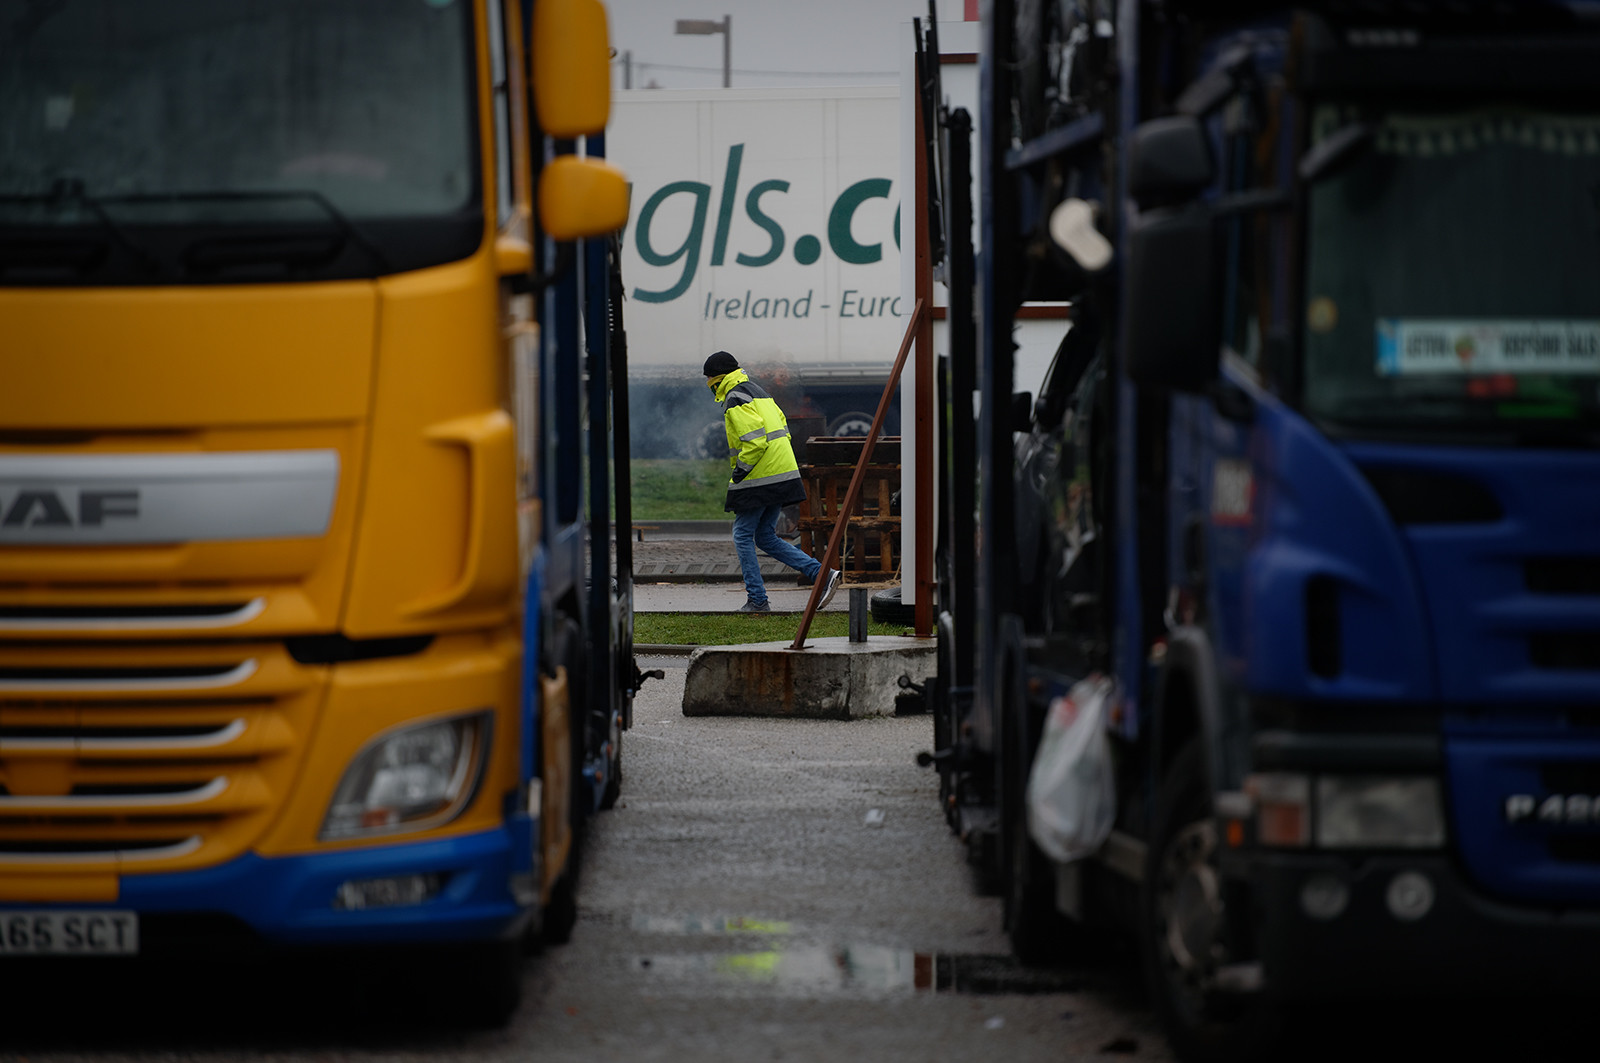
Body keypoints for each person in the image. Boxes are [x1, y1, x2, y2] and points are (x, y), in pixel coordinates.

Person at [703, 350, 841, 613]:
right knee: (765, 536)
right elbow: (782, 428)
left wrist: (739, 474)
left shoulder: (735, 397)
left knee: (742, 535)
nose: (708, 385)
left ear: (717, 379)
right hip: (781, 471)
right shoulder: (758, 390)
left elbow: (754, 442)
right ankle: (823, 576)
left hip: (760, 475)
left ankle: (757, 599)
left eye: (709, 379)